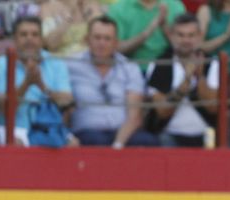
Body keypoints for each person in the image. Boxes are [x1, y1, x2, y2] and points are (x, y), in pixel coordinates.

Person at [66, 16, 158, 145]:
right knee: (96, 141)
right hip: (87, 132)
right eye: (97, 37)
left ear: (116, 43)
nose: (101, 43)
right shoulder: (70, 65)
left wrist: (118, 144)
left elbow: (135, 114)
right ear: (87, 40)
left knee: (148, 142)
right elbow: (62, 105)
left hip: (123, 132)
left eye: (107, 39)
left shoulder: (130, 67)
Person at [0, 14, 77, 145]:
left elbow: (67, 104)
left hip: (50, 126)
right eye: (24, 34)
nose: (29, 39)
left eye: (35, 35)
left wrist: (43, 87)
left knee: (73, 145)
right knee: (16, 144)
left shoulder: (55, 62)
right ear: (14, 39)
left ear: (41, 39)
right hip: (15, 128)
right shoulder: (2, 64)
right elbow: (3, 108)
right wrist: (26, 84)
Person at [144, 11, 211, 145]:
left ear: (199, 37)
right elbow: (162, 111)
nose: (186, 40)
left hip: (207, 134)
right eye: (181, 35)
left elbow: (214, 108)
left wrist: (200, 76)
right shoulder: (159, 65)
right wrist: (186, 80)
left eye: (191, 35)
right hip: (169, 135)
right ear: (172, 36)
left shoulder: (213, 64)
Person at [108, 0, 183, 62]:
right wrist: (149, 30)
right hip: (128, 68)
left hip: (168, 67)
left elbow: (184, 47)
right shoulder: (119, 8)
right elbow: (115, 49)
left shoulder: (175, 6)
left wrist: (164, 26)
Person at [40, 0, 106, 56]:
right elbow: (51, 44)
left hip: (88, 59)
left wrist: (88, 13)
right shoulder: (48, 7)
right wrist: (68, 18)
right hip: (62, 61)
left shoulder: (90, 4)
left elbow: (101, 33)